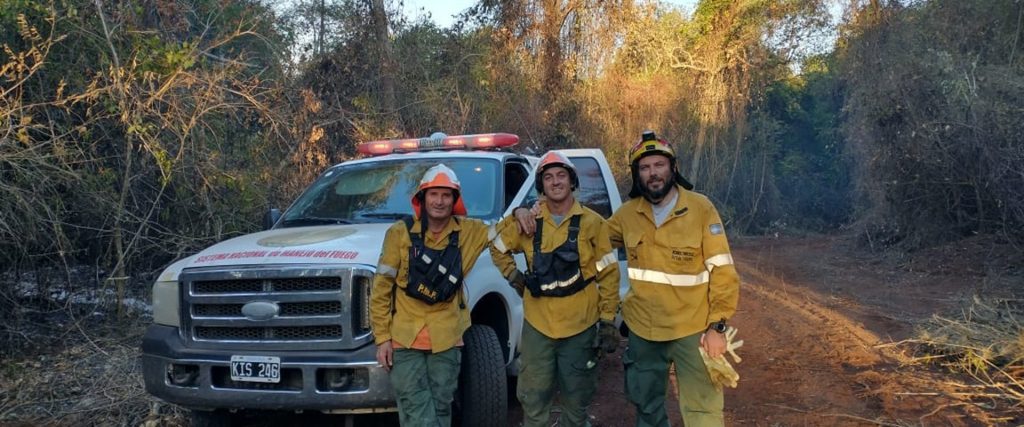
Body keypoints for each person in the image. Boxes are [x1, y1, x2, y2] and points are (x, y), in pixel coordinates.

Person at [609, 131, 740, 427]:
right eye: (644, 167)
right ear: (636, 174)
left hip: (692, 330)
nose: (653, 173)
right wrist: (537, 208)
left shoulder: (700, 208)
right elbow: (591, 237)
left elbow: (723, 270)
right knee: (647, 407)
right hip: (643, 331)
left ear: (673, 168)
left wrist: (717, 327)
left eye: (659, 165)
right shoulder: (627, 215)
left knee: (703, 413)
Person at [492, 151, 620, 427]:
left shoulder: (593, 224)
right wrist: (514, 275)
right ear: (542, 186)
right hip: (539, 327)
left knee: (577, 401)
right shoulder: (529, 221)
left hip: (580, 325)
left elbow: (609, 274)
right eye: (548, 177)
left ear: (572, 181)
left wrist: (607, 320)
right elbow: (496, 244)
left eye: (561, 175)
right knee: (534, 401)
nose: (555, 182)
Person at [369, 164, 493, 427]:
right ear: (422, 198)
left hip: (447, 339)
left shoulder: (470, 233)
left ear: (455, 200)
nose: (440, 201)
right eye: (433, 194)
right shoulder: (399, 234)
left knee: (440, 408)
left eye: (446, 195)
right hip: (405, 340)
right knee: (417, 413)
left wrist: (524, 210)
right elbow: (381, 288)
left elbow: (508, 230)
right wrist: (382, 338)